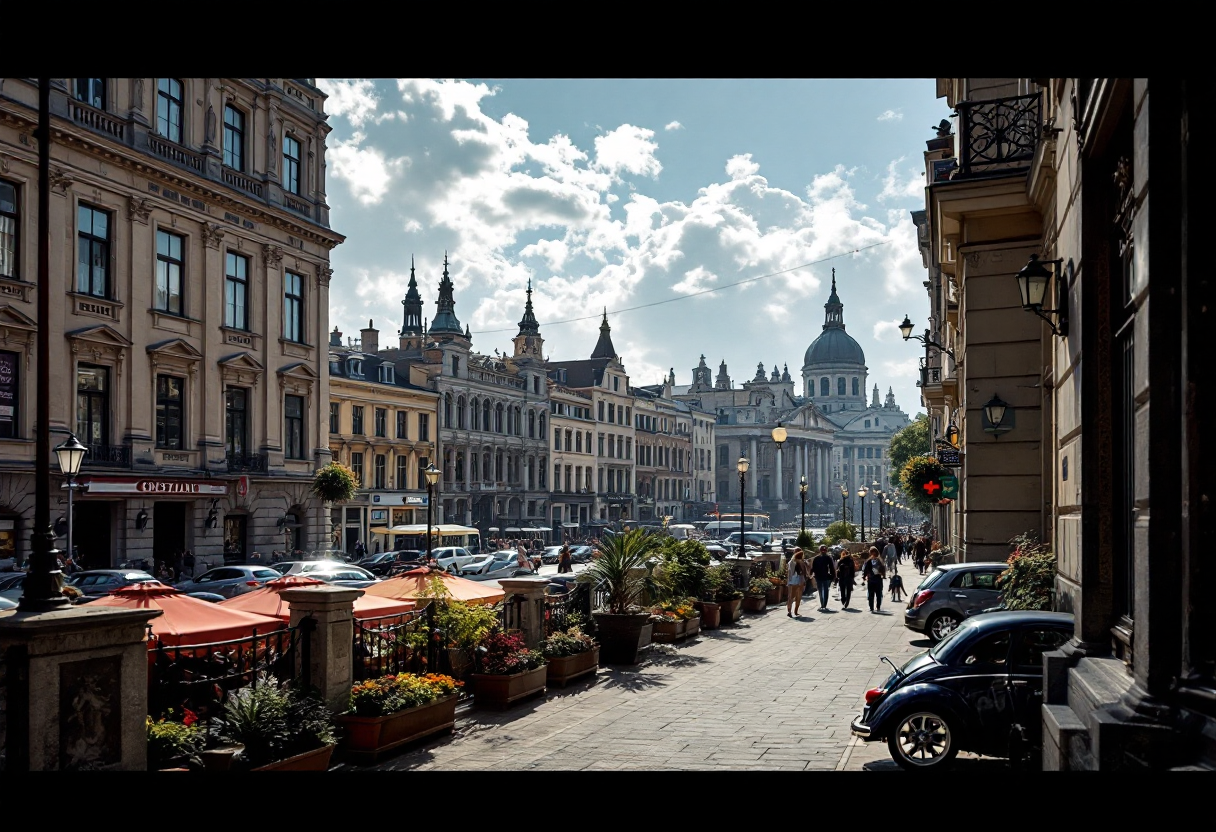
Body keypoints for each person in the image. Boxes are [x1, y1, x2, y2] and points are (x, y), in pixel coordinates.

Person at [810, 544, 837, 612]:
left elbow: (813, 568)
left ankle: (823, 605)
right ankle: (824, 605)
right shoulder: (828, 558)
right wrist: (833, 576)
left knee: (821, 590)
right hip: (824, 577)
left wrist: (811, 574)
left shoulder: (817, 558)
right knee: (825, 590)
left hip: (820, 576)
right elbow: (831, 568)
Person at [862, 546, 886, 612]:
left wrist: (864, 577)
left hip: (873, 579)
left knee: (873, 594)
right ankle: (875, 607)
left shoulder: (870, 561)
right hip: (875, 579)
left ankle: (874, 607)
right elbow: (883, 569)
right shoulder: (878, 561)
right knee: (876, 594)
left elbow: (865, 570)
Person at [785, 548, 807, 617]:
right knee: (795, 597)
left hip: (794, 581)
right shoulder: (795, 562)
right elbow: (803, 572)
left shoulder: (792, 562)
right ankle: (792, 611)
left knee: (793, 597)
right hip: (796, 581)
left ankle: (792, 611)